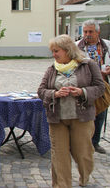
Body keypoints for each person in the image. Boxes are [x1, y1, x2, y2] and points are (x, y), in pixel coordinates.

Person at [38, 34, 105, 188]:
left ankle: (84, 176)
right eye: (52, 51)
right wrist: (54, 94)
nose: (53, 55)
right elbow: (41, 91)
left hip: (81, 118)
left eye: (56, 51)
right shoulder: (52, 69)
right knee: (59, 155)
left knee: (83, 153)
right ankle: (62, 185)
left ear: (68, 50)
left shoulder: (88, 65)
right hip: (57, 118)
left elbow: (100, 87)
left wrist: (82, 92)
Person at [76, 19, 110, 154]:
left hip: (103, 85)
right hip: (85, 86)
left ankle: (95, 142)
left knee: (101, 114)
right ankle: (82, 142)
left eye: (91, 31)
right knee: (83, 115)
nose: (87, 34)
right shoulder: (76, 46)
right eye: (85, 31)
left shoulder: (107, 45)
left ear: (98, 32)